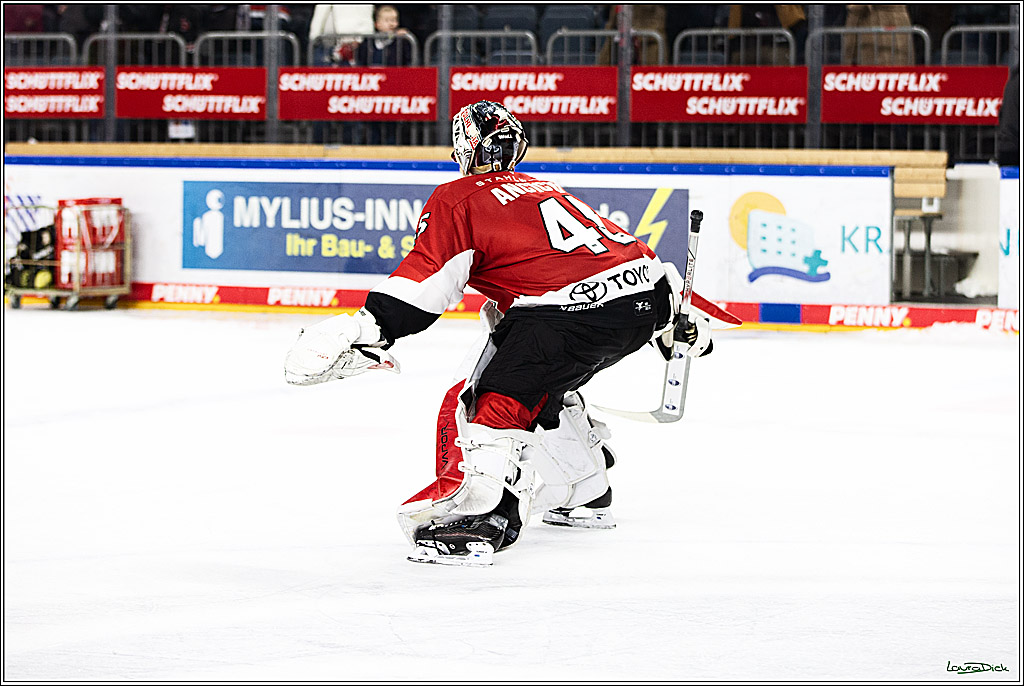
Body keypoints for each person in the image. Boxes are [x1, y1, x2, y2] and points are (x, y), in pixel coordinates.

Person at [283, 101, 716, 567]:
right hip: (646, 298)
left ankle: (482, 514)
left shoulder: (458, 197)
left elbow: (427, 284)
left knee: (495, 395)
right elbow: (617, 251)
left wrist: (367, 326)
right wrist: (675, 319)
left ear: (462, 147)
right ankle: (585, 485)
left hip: (571, 310)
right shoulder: (542, 187)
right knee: (543, 377)